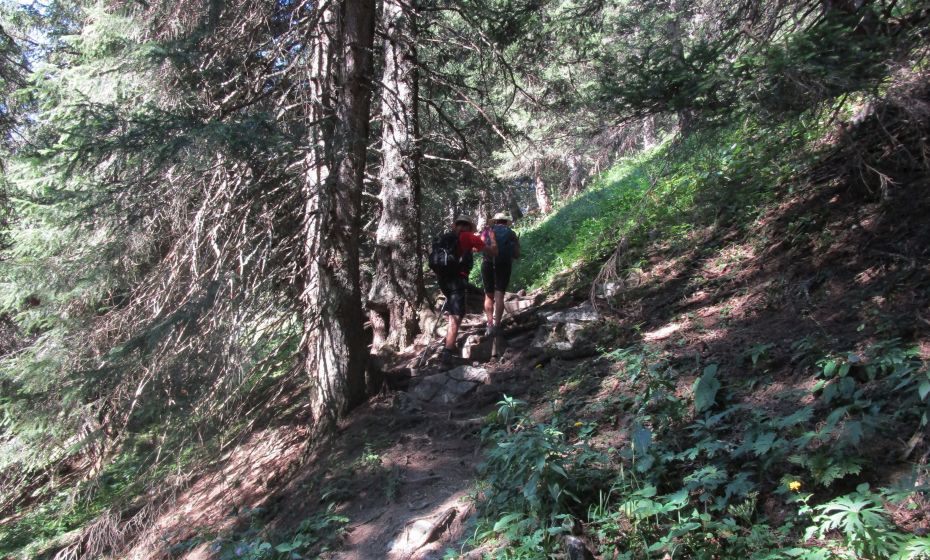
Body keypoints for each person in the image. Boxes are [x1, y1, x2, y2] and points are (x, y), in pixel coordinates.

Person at [433, 215, 497, 364]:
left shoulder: (446, 238)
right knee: (457, 314)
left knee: (453, 310)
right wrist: (492, 238)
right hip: (457, 280)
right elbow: (492, 251)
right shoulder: (468, 236)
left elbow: (466, 249)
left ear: (456, 225)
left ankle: (450, 344)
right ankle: (447, 353)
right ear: (469, 226)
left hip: (443, 279)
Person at [481, 212, 520, 336]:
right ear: (505, 222)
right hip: (503, 264)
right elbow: (517, 254)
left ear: (496, 221)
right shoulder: (511, 233)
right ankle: (497, 325)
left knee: (488, 296)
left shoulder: (487, 231)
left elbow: (479, 246)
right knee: (499, 295)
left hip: (487, 264)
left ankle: (489, 325)